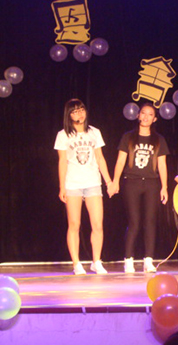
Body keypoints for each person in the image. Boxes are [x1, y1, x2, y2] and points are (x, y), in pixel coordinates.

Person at [54, 98, 113, 275]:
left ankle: (96, 261)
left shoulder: (94, 132)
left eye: (81, 110)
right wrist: (62, 187)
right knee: (74, 224)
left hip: (93, 182)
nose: (79, 114)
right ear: (69, 115)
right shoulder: (63, 135)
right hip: (73, 184)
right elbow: (62, 162)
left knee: (98, 224)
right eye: (74, 111)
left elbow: (100, 158)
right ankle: (76, 264)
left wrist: (108, 181)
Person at [111, 102, 169, 273]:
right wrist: (115, 181)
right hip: (132, 182)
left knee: (150, 221)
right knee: (134, 221)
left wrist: (164, 187)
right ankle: (128, 259)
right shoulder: (128, 137)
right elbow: (120, 161)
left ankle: (148, 260)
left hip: (151, 182)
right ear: (138, 115)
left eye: (150, 114)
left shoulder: (159, 140)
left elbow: (162, 165)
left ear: (154, 119)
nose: (146, 117)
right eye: (143, 113)